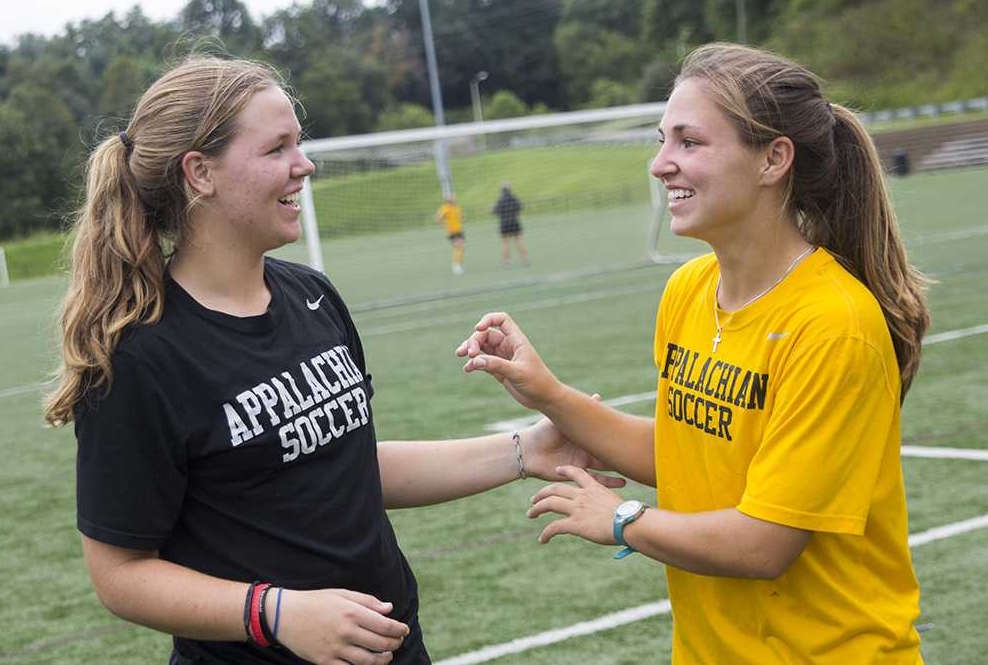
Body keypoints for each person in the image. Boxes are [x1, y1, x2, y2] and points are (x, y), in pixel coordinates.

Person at [43, 55, 623, 665]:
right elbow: (120, 573)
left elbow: (346, 469)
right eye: (278, 149)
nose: (306, 164)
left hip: (393, 649)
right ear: (200, 173)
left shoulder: (311, 295)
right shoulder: (142, 355)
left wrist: (525, 451)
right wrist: (275, 614)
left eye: (301, 143)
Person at [456, 43, 930, 664]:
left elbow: (765, 544)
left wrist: (624, 518)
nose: (660, 165)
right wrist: (546, 392)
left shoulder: (834, 323)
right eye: (662, 141)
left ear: (773, 160)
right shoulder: (687, 290)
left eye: (688, 142)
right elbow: (687, 454)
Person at [491, 183, 528, 268]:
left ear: (501, 190)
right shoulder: (514, 198)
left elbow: (495, 211)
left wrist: (492, 209)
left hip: (504, 224)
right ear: (510, 190)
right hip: (514, 222)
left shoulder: (500, 200)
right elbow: (520, 207)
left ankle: (507, 263)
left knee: (505, 243)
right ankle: (524, 261)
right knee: (519, 241)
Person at [435, 194, 465, 274]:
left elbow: (461, 217)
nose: (455, 199)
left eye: (455, 197)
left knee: (461, 248)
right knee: (458, 246)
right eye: (453, 198)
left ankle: (457, 264)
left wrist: (461, 219)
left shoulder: (457, 207)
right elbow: (438, 219)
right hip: (451, 231)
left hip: (459, 230)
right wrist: (444, 226)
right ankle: (456, 266)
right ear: (449, 200)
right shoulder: (445, 208)